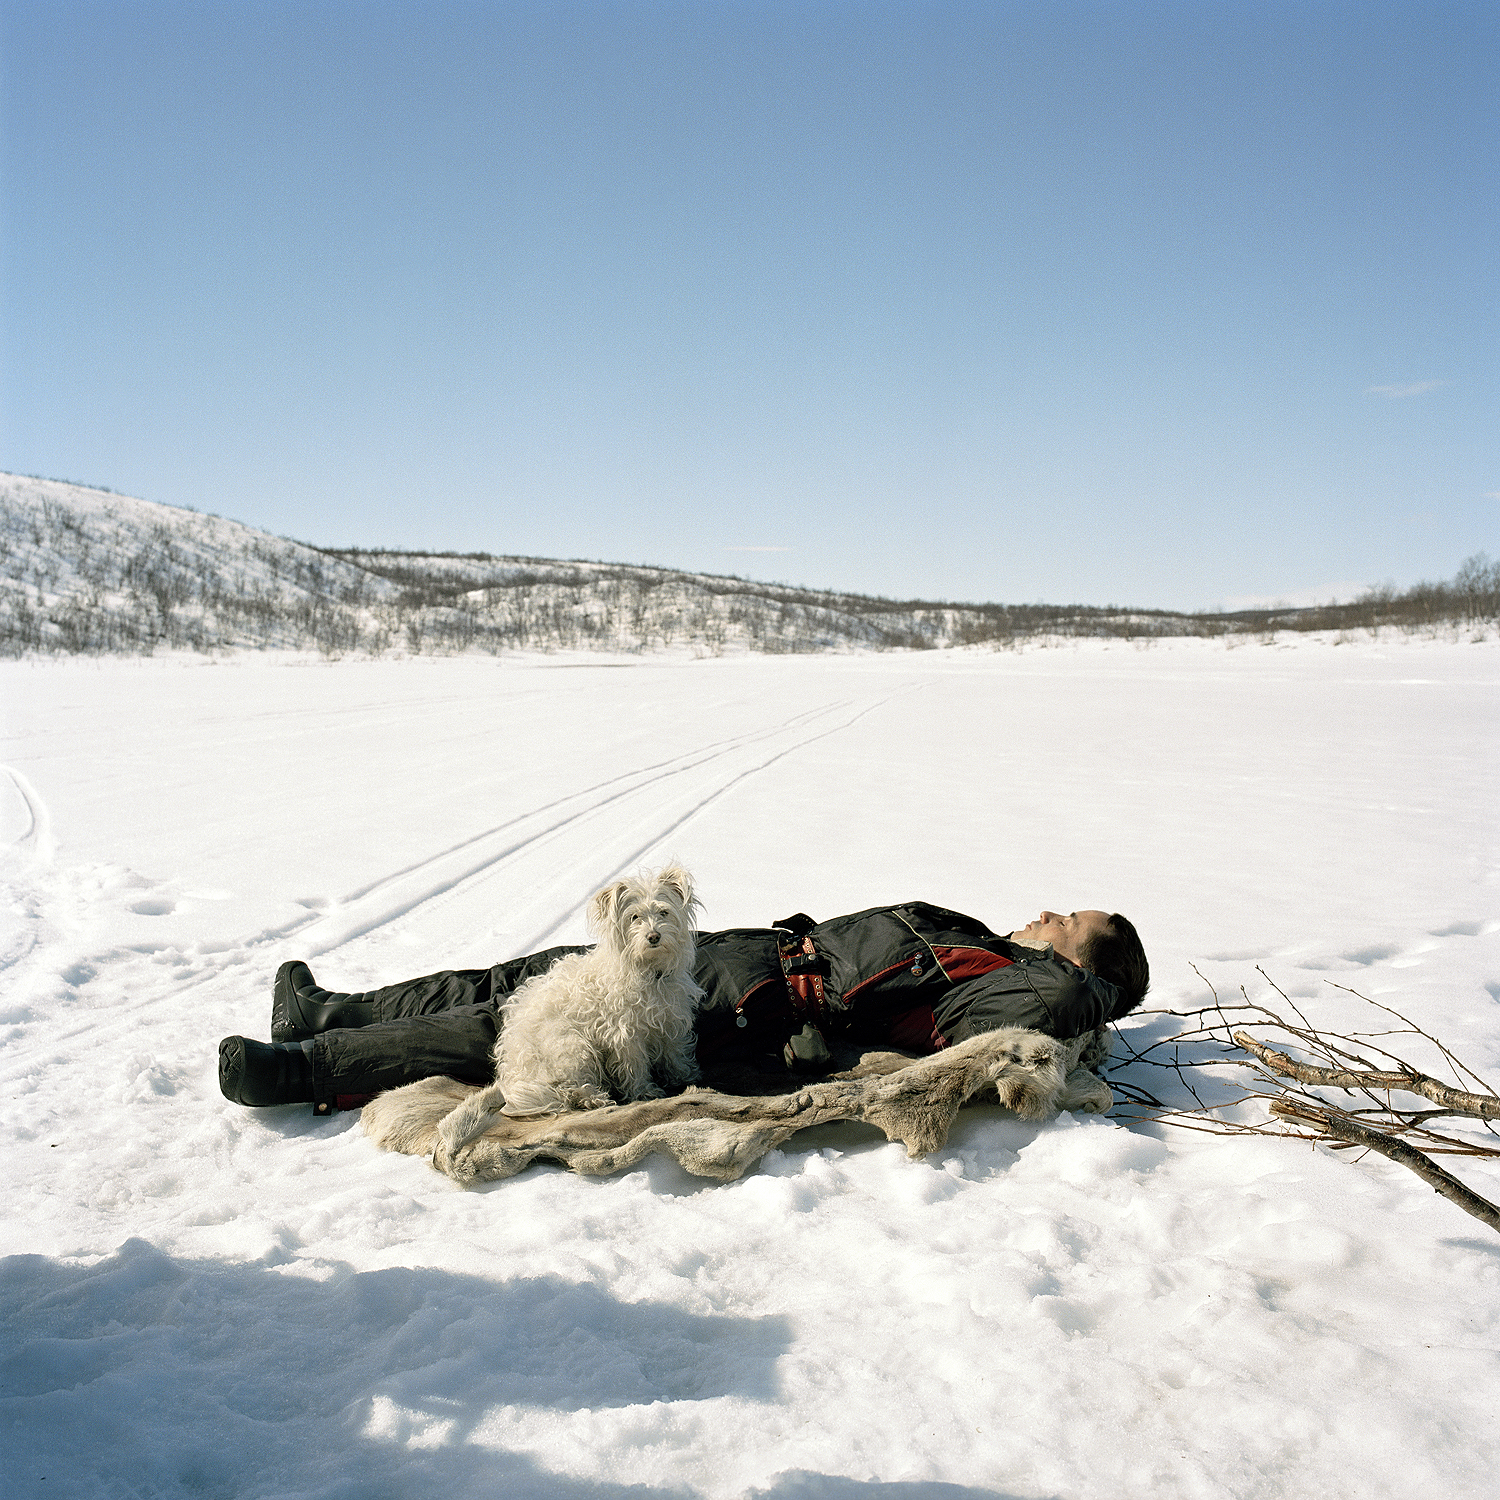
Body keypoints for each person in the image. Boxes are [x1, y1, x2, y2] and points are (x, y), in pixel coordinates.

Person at [218, 903, 1149, 1115]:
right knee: (534, 972)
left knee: (529, 1026)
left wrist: (1101, 986)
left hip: (760, 1005)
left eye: (1071, 920)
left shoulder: (1030, 984)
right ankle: (330, 1013)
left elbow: (1060, 999)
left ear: (1082, 960)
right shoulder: (983, 941)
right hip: (756, 953)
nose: (1049, 912)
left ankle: (304, 1072)